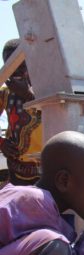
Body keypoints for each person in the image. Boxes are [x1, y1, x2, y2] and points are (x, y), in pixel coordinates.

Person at [0, 39, 42, 186]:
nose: (15, 69)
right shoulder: (4, 94)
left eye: (20, 64)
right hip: (16, 166)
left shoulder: (46, 89)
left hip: (46, 168)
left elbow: (57, 113)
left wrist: (28, 96)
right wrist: (2, 143)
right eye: (10, 65)